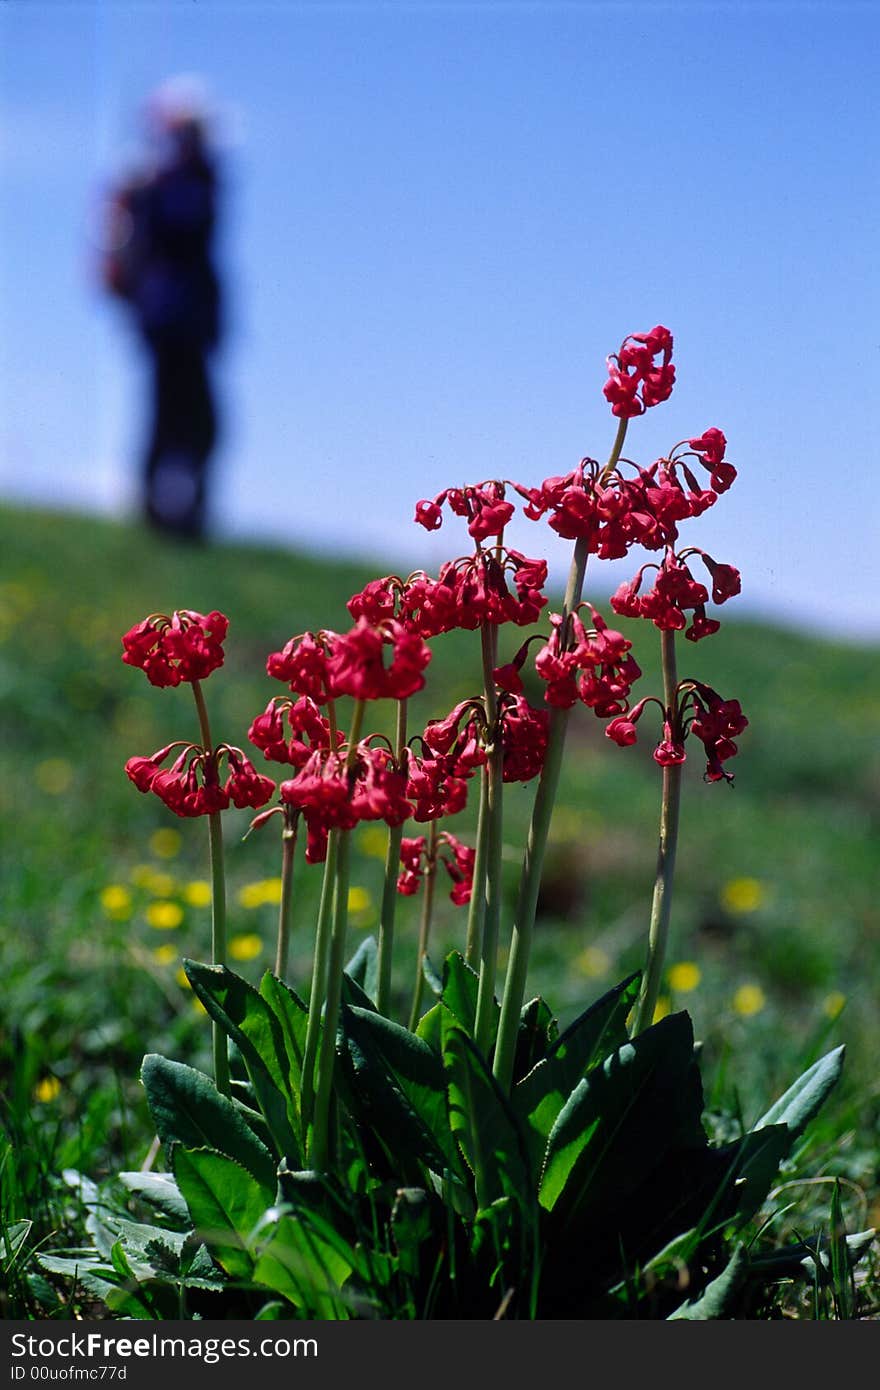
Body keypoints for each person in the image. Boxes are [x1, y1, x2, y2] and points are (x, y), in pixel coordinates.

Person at [102, 82, 223, 540]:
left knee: (189, 420)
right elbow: (183, 223)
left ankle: (174, 513)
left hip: (179, 316)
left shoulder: (170, 177)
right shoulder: (170, 181)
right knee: (180, 418)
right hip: (171, 316)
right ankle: (164, 516)